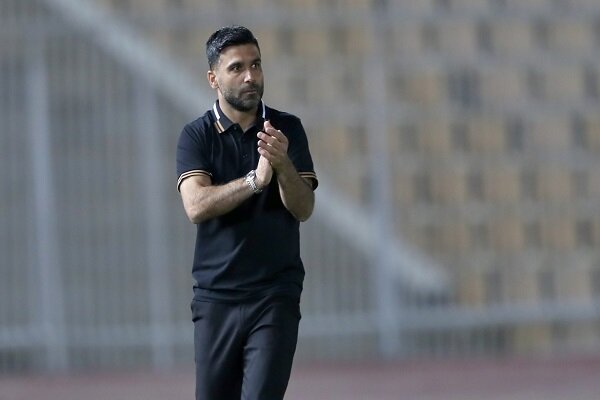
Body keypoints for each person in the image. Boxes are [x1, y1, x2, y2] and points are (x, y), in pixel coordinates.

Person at [176, 25, 318, 400]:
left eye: (256, 64)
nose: (250, 76)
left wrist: (283, 165)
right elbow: (196, 206)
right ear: (213, 78)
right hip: (215, 298)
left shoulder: (286, 129)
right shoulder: (196, 136)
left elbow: (304, 208)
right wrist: (255, 180)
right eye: (236, 68)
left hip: (275, 294)